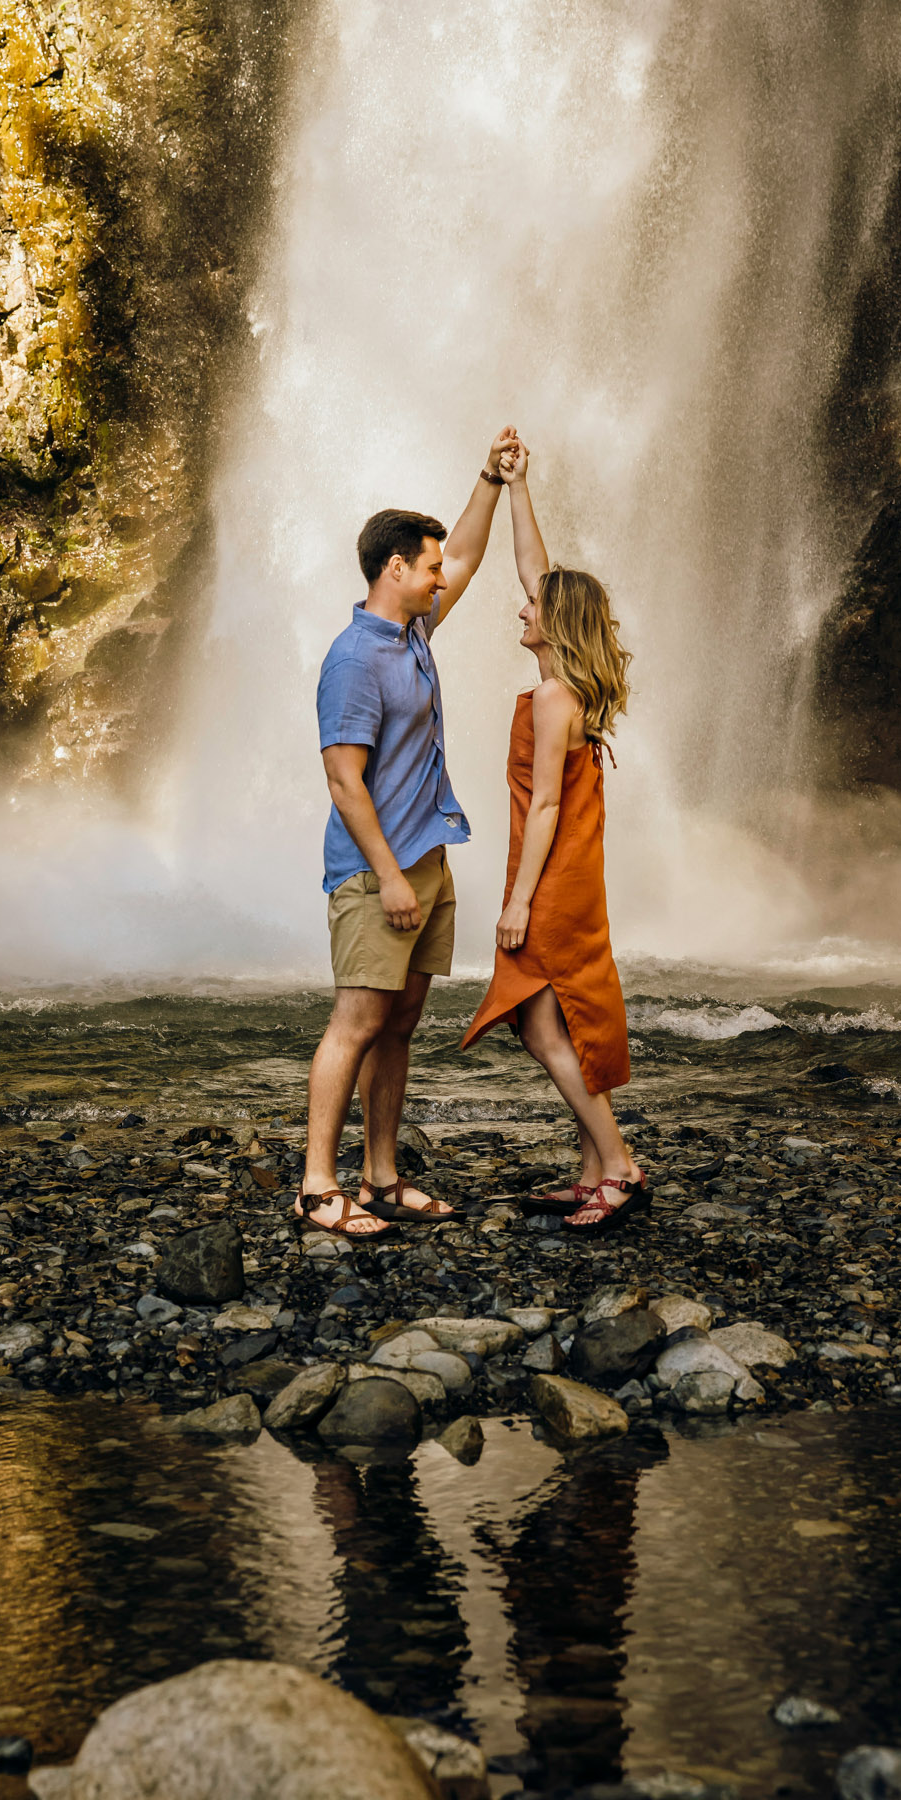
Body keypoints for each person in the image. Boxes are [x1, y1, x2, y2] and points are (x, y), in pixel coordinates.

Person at [293, 430, 521, 1238]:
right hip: (374, 874)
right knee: (355, 1022)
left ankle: (381, 1175)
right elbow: (342, 779)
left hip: (427, 865)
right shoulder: (354, 659)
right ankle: (319, 1185)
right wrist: (389, 876)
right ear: (395, 569)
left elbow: (463, 552)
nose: (440, 577)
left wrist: (489, 479)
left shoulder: (413, 633)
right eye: (427, 568)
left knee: (399, 1025)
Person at [459, 441, 647, 1229]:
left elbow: (541, 809)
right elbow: (536, 572)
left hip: (552, 877)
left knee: (541, 1026)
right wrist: (517, 487)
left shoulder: (548, 699)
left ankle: (619, 1165)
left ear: (552, 625)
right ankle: (589, 1166)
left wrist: (515, 904)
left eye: (532, 607)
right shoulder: (571, 690)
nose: (520, 607)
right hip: (575, 871)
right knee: (563, 1019)